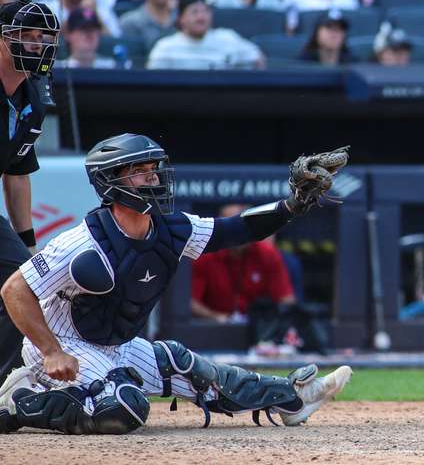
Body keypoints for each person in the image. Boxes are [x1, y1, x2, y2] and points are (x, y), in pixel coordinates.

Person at [0, 134, 352, 434]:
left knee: (182, 363)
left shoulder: (172, 227)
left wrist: (291, 205)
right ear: (111, 182)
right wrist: (51, 351)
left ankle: (293, 398)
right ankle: (22, 400)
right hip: (67, 344)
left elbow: (236, 229)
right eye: (139, 172)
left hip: (114, 343)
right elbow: (14, 290)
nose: (152, 179)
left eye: (153, 170)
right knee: (123, 409)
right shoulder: (81, 243)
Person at [0, 0, 60, 384]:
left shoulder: (34, 96)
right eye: (25, 35)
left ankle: (4, 385)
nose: (35, 44)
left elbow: (17, 172)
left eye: (42, 37)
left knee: (23, 285)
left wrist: (28, 242)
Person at [147, 0, 264, 70]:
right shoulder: (166, 47)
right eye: (195, 12)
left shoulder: (227, 38)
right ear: (181, 18)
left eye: (206, 11)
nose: (201, 17)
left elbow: (258, 59)